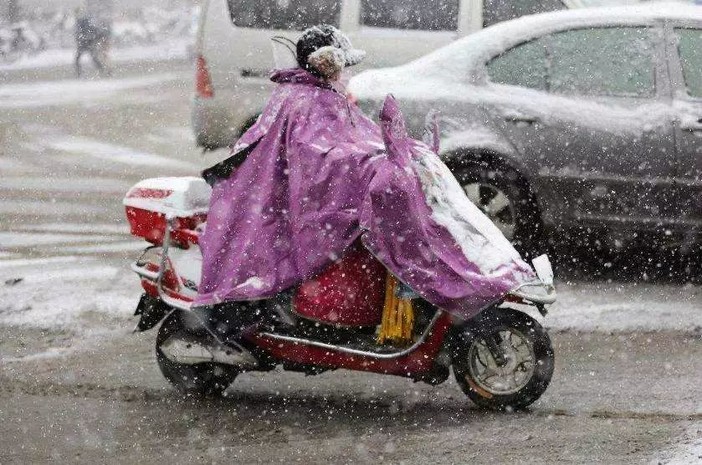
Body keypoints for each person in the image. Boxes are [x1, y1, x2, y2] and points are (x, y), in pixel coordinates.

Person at [195, 25, 537, 335]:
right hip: (293, 207)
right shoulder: (307, 102)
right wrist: (373, 163)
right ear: (328, 64)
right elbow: (319, 157)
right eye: (344, 67)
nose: (348, 74)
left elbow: (356, 137)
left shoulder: (318, 94)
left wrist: (402, 151)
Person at [74, 8, 111, 77]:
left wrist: (82, 39)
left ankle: (79, 72)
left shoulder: (82, 23)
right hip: (87, 43)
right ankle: (101, 69)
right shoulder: (85, 23)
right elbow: (95, 31)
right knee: (93, 57)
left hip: (85, 43)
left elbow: (81, 33)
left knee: (80, 59)